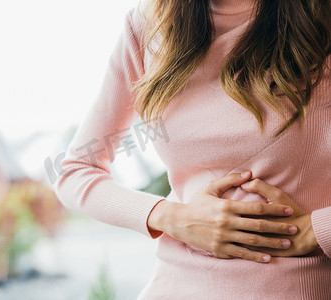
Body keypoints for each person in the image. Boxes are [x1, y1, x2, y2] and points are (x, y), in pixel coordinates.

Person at [53, 0, 331, 298]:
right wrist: (173, 217)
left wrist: (317, 230)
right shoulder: (148, 26)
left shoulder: (319, 19)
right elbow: (76, 171)